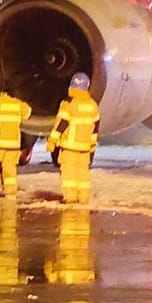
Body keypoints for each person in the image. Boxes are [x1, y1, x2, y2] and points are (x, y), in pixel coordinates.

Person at [48, 72, 101, 205]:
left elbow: (62, 124)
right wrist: (92, 147)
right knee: (83, 174)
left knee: (69, 173)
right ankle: (83, 198)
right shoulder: (92, 105)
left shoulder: (69, 103)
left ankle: (70, 197)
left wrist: (52, 141)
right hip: (85, 147)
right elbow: (95, 128)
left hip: (70, 146)